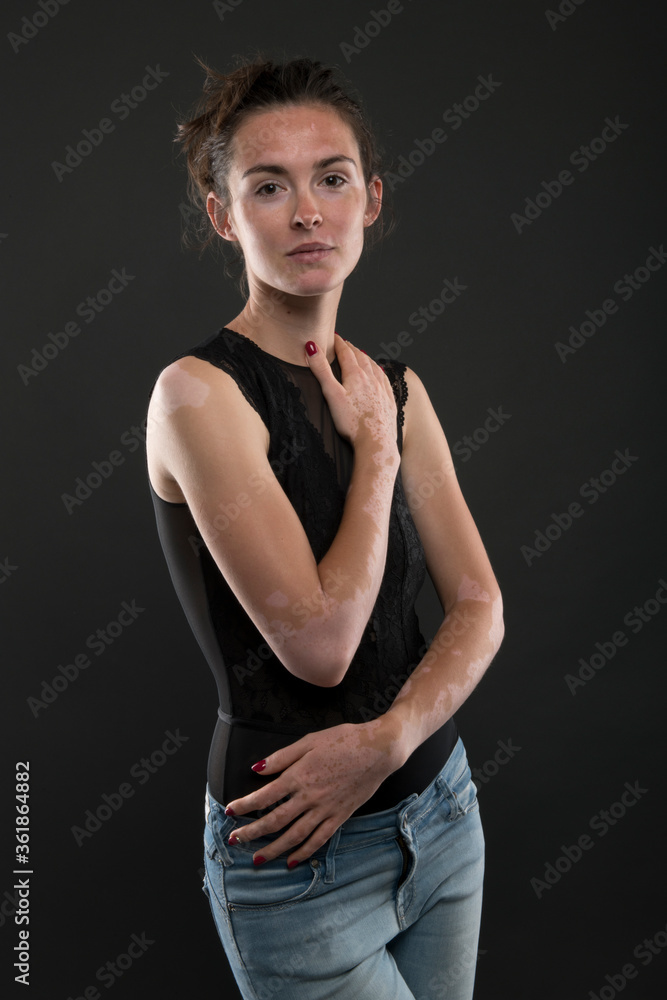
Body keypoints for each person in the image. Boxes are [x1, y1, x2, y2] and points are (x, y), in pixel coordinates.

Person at [145, 55, 504, 1000]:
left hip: (442, 812)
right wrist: (379, 459)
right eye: (270, 186)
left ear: (370, 199)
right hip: (300, 868)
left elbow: (479, 607)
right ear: (224, 216)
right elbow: (320, 646)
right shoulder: (197, 397)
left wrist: (390, 742)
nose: (308, 211)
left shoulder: (398, 387)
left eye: (331, 178)